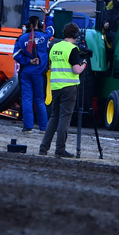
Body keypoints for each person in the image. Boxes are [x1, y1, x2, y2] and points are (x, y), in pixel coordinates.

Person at [39, 22, 87, 158]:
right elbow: (76, 70)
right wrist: (84, 64)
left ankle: (43, 147)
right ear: (76, 35)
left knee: (54, 117)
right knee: (64, 118)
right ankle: (60, 149)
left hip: (55, 86)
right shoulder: (72, 49)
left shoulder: (55, 46)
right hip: (69, 87)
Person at [13, 8, 55, 134]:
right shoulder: (45, 36)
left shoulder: (21, 39)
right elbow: (52, 29)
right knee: (40, 100)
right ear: (40, 24)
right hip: (39, 74)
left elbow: (15, 55)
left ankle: (28, 127)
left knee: (26, 99)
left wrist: (28, 61)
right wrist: (47, 15)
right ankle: (43, 128)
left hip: (26, 73)